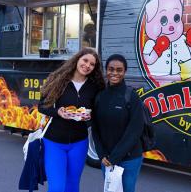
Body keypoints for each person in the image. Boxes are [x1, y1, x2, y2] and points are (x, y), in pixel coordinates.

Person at [38, 48, 105, 192]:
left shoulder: (95, 87)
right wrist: (58, 112)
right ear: (77, 60)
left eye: (92, 64)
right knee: (57, 188)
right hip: (54, 142)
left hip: (79, 142)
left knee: (72, 187)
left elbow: (99, 112)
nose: (87, 65)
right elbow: (42, 107)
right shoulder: (59, 80)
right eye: (85, 60)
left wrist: (90, 116)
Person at [92, 54, 145, 192]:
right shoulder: (100, 96)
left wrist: (115, 157)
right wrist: (101, 154)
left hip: (129, 159)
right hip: (107, 160)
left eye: (119, 70)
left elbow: (135, 130)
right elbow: (95, 128)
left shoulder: (131, 96)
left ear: (124, 72)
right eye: (111, 69)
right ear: (106, 70)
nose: (114, 73)